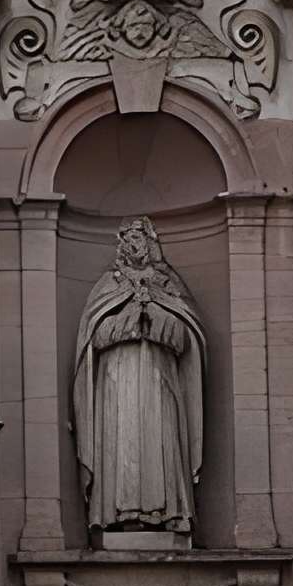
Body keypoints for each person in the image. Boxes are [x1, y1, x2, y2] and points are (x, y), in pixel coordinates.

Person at [72, 216, 205, 538]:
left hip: (160, 378)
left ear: (151, 242)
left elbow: (187, 338)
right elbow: (93, 337)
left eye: (141, 237)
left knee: (159, 434)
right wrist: (127, 321)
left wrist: (158, 319)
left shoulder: (167, 284)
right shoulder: (108, 286)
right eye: (129, 238)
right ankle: (118, 511)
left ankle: (170, 511)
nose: (136, 244)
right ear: (121, 244)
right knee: (123, 438)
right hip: (117, 380)